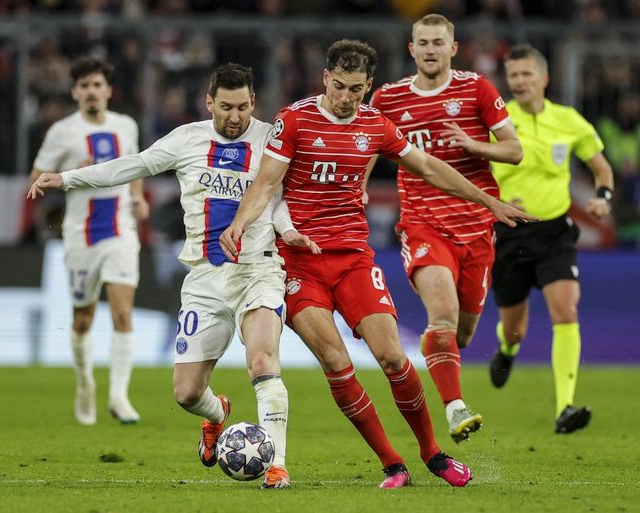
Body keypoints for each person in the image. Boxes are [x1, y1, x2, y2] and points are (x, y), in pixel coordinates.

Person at [220, 39, 535, 489]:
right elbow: (267, 183)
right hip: (299, 264)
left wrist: (488, 199)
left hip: (352, 259)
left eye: (356, 89)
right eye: (339, 86)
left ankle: (432, 453)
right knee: (336, 362)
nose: (346, 98)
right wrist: (239, 223)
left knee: (391, 357)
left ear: (368, 86)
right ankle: (392, 464)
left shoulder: (376, 124)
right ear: (325, 77)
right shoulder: (295, 120)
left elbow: (427, 166)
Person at [29, 63, 318, 489]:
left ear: (253, 102)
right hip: (203, 278)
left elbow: (275, 196)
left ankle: (277, 465)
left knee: (262, 360)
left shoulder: (270, 139)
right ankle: (218, 414)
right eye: (225, 107)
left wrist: (289, 230)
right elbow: (133, 166)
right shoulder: (188, 139)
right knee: (186, 394)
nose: (235, 116)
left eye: (242, 107)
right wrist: (67, 179)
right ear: (209, 103)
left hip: (258, 269)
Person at [370, 13, 522, 443]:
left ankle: (444, 364)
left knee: (463, 333)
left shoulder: (476, 89)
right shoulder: (390, 98)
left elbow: (514, 150)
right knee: (443, 316)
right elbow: (361, 143)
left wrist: (474, 145)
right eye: (423, 42)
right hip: (422, 225)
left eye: (439, 42)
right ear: (411, 49)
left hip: (476, 228)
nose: (431, 49)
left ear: (453, 48)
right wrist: (358, 189)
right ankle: (455, 410)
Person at [487, 44, 614, 434]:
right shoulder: (497, 120)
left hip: (555, 231)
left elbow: (600, 166)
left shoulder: (569, 120)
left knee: (566, 311)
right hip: (510, 233)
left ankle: (565, 407)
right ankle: (507, 349)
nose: (520, 82)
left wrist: (603, 196)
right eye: (514, 76)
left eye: (527, 74)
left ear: (544, 78)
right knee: (515, 328)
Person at [30, 56, 149, 426]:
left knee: (122, 312)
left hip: (120, 230)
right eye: (84, 86)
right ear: (75, 92)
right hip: (81, 235)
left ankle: (119, 396)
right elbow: (36, 176)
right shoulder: (62, 132)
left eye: (98, 85)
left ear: (108, 91)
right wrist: (72, 171)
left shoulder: (126, 126)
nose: (92, 92)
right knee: (82, 318)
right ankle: (85, 384)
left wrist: (138, 195)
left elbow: (135, 166)